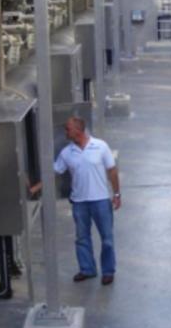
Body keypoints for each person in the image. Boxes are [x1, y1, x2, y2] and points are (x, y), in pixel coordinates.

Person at [30, 117, 121, 285]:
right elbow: (53, 174)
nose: (65, 132)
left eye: (68, 129)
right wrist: (35, 189)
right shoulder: (67, 153)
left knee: (107, 238)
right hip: (79, 203)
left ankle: (108, 271)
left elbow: (112, 171)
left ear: (78, 130)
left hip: (100, 201)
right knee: (82, 238)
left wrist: (116, 194)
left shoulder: (101, 146)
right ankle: (87, 269)